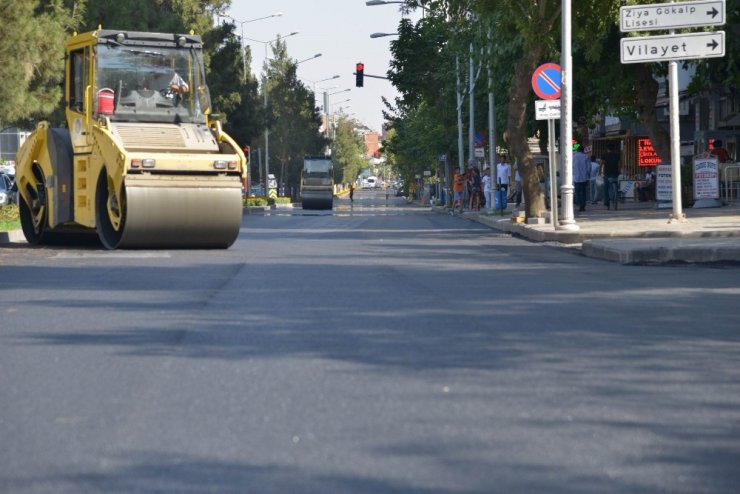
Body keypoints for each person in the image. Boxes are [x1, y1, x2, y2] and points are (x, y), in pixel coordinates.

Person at [602, 142, 621, 210]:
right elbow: (619, 164)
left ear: (607, 148)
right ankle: (615, 199)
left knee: (606, 188)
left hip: (607, 173)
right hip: (615, 173)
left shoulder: (604, 155)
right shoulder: (617, 155)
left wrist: (600, 172)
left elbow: (602, 164)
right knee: (615, 185)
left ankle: (607, 202)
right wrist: (619, 171)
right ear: (614, 148)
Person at [573, 144, 591, 212]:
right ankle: (582, 206)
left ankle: (579, 203)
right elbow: (589, 168)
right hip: (584, 178)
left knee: (577, 192)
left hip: (576, 178)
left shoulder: (573, 157)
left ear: (577, 150)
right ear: (583, 150)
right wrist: (588, 175)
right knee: (583, 192)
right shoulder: (586, 157)